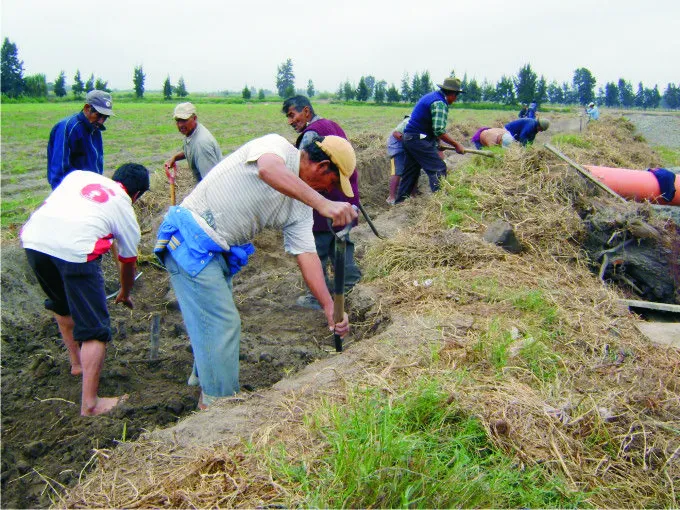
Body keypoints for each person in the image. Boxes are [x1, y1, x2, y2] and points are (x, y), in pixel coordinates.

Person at [154, 133, 358, 408]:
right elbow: (267, 169)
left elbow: (307, 255)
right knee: (223, 324)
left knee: (213, 321)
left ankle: (206, 381)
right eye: (331, 184)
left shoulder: (300, 206)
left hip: (213, 252)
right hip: (190, 243)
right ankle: (217, 407)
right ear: (322, 168)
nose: (327, 192)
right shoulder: (276, 148)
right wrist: (323, 204)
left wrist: (329, 307)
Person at [21, 164, 150, 416]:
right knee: (95, 329)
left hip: (34, 240)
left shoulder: (81, 176)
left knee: (62, 304)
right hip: (77, 251)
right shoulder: (125, 207)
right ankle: (91, 404)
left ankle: (77, 365)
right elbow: (128, 262)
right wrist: (125, 291)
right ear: (136, 195)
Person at [282, 95, 361, 309]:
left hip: (326, 200)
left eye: (292, 114)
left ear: (306, 111)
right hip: (345, 196)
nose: (290, 121)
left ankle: (317, 296)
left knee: (316, 248)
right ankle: (350, 285)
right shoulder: (331, 125)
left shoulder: (310, 136)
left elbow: (302, 175)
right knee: (341, 241)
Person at [395, 77, 466, 203]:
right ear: (452, 94)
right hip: (418, 139)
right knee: (438, 168)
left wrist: (437, 143)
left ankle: (400, 202)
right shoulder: (439, 103)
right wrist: (456, 145)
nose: (455, 100)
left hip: (410, 138)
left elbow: (432, 130)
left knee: (410, 173)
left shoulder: (431, 97)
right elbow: (439, 130)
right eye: (456, 96)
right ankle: (439, 204)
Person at [47, 90, 114, 190]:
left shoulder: (95, 129)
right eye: (99, 115)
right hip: (72, 192)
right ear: (87, 108)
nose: (101, 121)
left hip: (90, 190)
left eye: (105, 117)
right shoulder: (67, 128)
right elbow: (59, 170)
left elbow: (97, 164)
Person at [164, 102, 222, 183]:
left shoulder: (201, 144)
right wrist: (175, 158)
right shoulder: (192, 132)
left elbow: (211, 181)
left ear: (194, 118)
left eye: (184, 120)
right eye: (178, 120)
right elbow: (191, 151)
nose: (180, 125)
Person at [386, 115, 410, 205]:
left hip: (409, 148)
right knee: (397, 172)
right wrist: (409, 141)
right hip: (398, 148)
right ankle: (391, 197)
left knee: (413, 171)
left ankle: (412, 196)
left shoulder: (425, 125)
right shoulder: (408, 122)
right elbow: (396, 133)